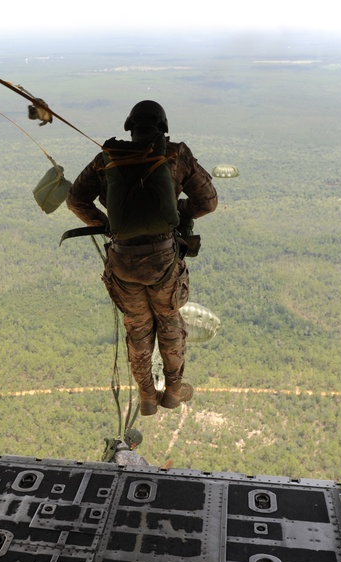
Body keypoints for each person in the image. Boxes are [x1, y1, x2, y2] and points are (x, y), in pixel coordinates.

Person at [66, 100, 217, 415]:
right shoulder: (176, 156)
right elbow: (208, 202)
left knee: (137, 327)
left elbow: (75, 199)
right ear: (162, 127)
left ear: (129, 128)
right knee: (169, 321)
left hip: (123, 262)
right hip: (163, 263)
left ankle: (147, 395)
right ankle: (173, 389)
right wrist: (178, 212)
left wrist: (107, 225)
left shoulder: (107, 158)